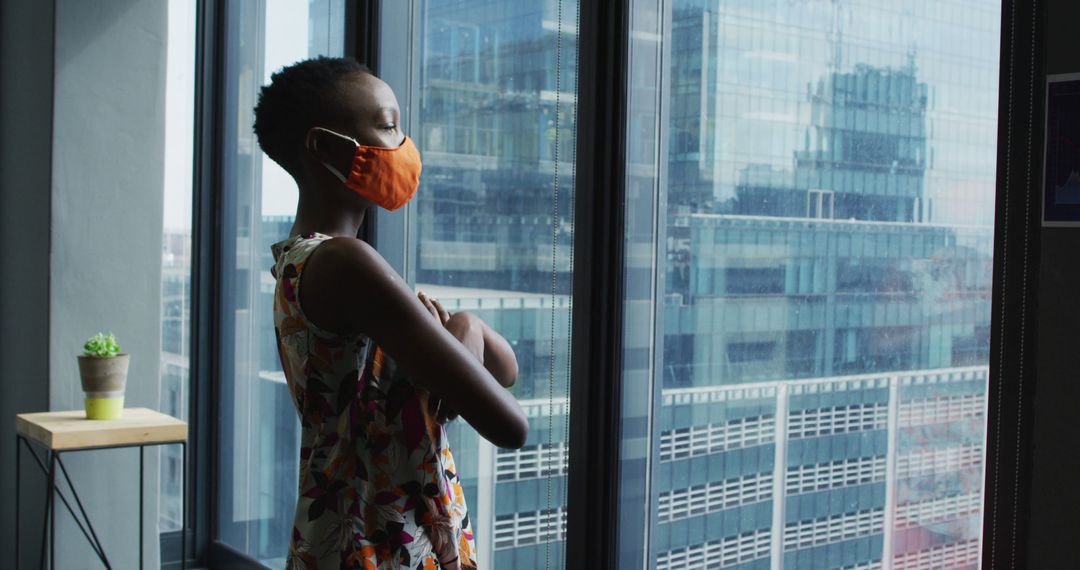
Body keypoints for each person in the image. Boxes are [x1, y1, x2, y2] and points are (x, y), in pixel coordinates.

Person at [254, 56, 527, 570]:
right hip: (380, 546)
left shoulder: (298, 263)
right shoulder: (344, 262)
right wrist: (458, 347)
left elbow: (504, 370)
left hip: (352, 534)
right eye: (387, 125)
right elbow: (510, 425)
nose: (403, 145)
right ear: (323, 146)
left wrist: (463, 327)